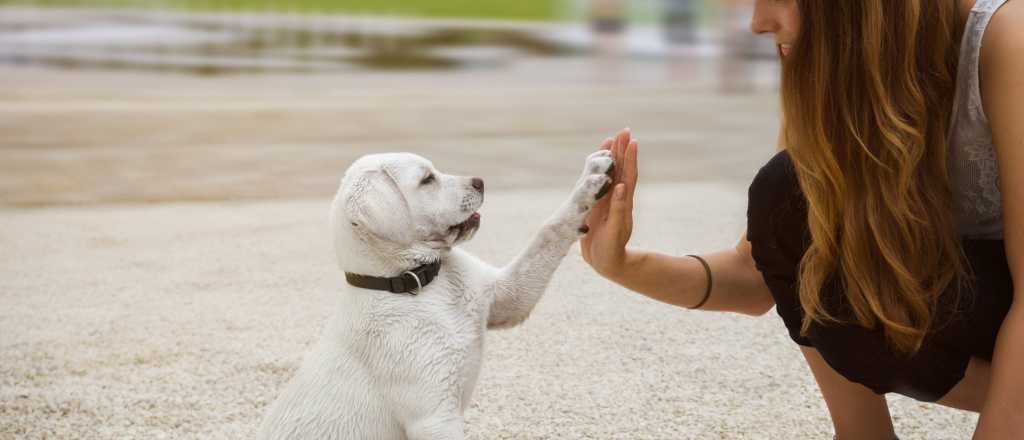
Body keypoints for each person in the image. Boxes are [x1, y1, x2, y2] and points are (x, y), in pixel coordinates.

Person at [581, 0, 1023, 438]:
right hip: (978, 317)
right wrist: (620, 264)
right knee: (788, 196)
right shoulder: (840, 69)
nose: (757, 24)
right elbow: (759, 275)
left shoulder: (1008, 37)